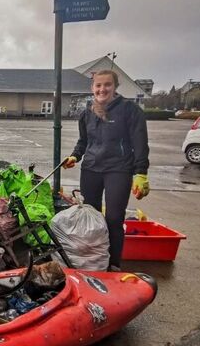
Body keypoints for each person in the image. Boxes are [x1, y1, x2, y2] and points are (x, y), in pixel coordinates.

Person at [64, 70, 150, 271]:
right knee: (91, 217)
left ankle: (113, 264)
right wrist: (75, 156)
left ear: (115, 87)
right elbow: (84, 141)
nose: (102, 89)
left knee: (113, 218)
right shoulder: (87, 113)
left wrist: (141, 173)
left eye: (107, 85)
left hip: (118, 170)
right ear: (92, 88)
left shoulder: (130, 110)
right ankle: (94, 259)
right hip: (91, 169)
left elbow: (140, 143)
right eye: (98, 85)